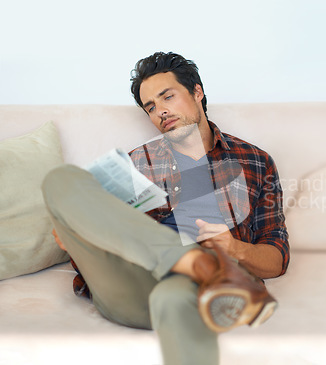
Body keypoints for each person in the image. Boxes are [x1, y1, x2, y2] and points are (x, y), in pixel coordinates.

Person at [43, 51, 289, 365]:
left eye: (167, 97)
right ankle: (195, 261)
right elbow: (109, 239)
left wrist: (234, 249)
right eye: (151, 107)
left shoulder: (255, 161)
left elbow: (277, 258)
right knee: (61, 179)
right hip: (125, 282)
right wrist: (77, 235)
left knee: (173, 296)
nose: (160, 111)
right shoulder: (133, 163)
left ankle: (200, 266)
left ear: (197, 92)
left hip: (186, 291)